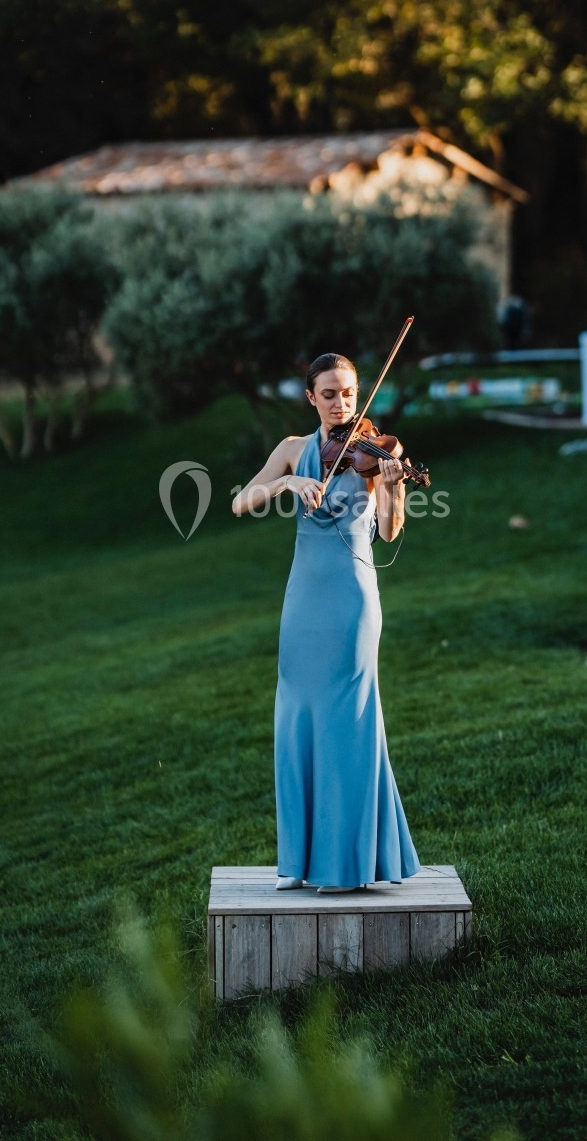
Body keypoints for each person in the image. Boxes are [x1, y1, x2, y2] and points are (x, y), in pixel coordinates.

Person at [232, 352, 420, 892]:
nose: (342, 404)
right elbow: (242, 502)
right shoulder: (294, 450)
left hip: (352, 598)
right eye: (331, 394)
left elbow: (387, 532)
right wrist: (288, 485)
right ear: (311, 398)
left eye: (350, 393)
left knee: (349, 721)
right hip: (303, 600)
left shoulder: (375, 452)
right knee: (298, 716)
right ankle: (302, 859)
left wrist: (393, 484)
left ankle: (348, 863)